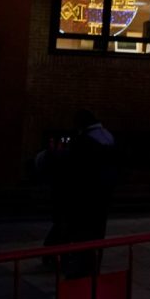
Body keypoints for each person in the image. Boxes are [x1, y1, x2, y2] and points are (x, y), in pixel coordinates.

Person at [37, 110, 118, 278]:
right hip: (101, 198)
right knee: (94, 235)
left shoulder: (84, 142)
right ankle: (88, 266)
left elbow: (69, 167)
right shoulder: (107, 138)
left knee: (73, 230)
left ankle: (69, 264)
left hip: (81, 198)